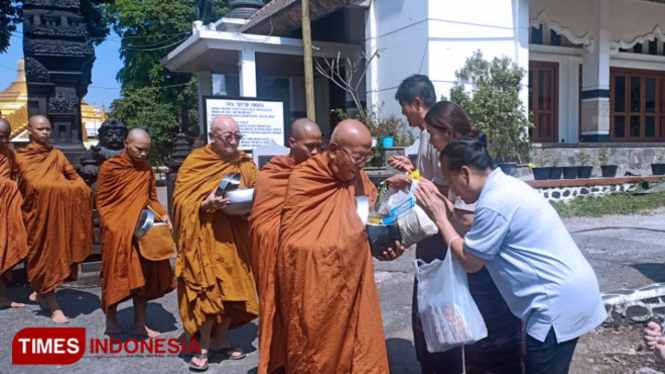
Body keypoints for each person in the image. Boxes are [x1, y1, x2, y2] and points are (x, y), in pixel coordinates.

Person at [414, 132, 607, 374]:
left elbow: (471, 261)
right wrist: (447, 212)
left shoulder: (494, 202)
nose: (453, 192)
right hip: (569, 295)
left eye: (451, 183)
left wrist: (441, 219)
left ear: (465, 173)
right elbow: (475, 235)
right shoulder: (505, 187)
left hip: (554, 305)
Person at [276, 119, 403, 373]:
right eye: (357, 157)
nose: (362, 165)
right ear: (333, 150)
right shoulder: (305, 178)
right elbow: (294, 244)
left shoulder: (361, 180)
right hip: (315, 290)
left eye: (367, 157)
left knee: (360, 352)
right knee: (315, 356)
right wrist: (349, 243)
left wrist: (384, 245)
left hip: (355, 284)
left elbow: (366, 223)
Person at [423, 101, 524, 373]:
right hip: (481, 261)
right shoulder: (459, 164)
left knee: (495, 344)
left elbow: (468, 222)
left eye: (432, 134)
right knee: (478, 344)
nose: (430, 141)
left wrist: (442, 216)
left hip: (487, 267)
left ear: (447, 132)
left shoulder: (474, 171)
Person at [387, 75, 463, 374]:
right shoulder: (425, 134)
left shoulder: (437, 136)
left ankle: (444, 364)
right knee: (428, 304)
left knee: (440, 304)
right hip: (432, 230)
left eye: (405, 107)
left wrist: (410, 180)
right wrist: (412, 172)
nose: (404, 114)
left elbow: (445, 192)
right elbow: (430, 179)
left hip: (440, 231)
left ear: (417, 103)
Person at [173, 115, 258, 371]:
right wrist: (204, 205)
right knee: (208, 292)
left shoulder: (245, 164)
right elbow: (179, 202)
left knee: (233, 292)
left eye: (237, 136)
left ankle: (222, 341)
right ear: (212, 137)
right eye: (227, 137)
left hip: (234, 237)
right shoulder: (196, 162)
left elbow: (258, 195)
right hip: (204, 238)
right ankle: (203, 347)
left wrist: (245, 209)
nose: (233, 142)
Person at [249, 118, 322, 374]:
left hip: (309, 262)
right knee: (278, 314)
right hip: (277, 259)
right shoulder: (273, 175)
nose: (315, 153)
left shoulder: (322, 173)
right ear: (292, 143)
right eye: (310, 146)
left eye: (319, 147)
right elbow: (261, 226)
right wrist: (293, 233)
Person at [15, 115, 93, 324]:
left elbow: (77, 182)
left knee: (57, 257)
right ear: (30, 131)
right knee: (42, 258)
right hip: (36, 219)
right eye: (40, 129)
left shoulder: (57, 156)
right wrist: (58, 188)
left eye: (48, 129)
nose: (45, 133)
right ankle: (53, 306)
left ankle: (43, 292)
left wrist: (62, 189)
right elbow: (30, 186)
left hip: (58, 217)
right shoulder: (21, 157)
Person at [97, 128, 175, 337]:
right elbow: (103, 202)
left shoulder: (146, 168)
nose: (142, 154)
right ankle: (110, 316)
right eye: (139, 149)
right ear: (126, 144)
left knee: (144, 277)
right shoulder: (110, 167)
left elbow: (151, 198)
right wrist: (117, 225)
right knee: (115, 275)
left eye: (146, 150)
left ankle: (140, 324)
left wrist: (163, 214)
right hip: (118, 232)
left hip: (142, 230)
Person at [0, 119, 28, 309]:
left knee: (5, 250)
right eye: (0, 137)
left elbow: (18, 175)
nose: (4, 141)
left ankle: (2, 297)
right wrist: (10, 185)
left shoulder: (9, 153)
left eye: (6, 137)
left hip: (5, 210)